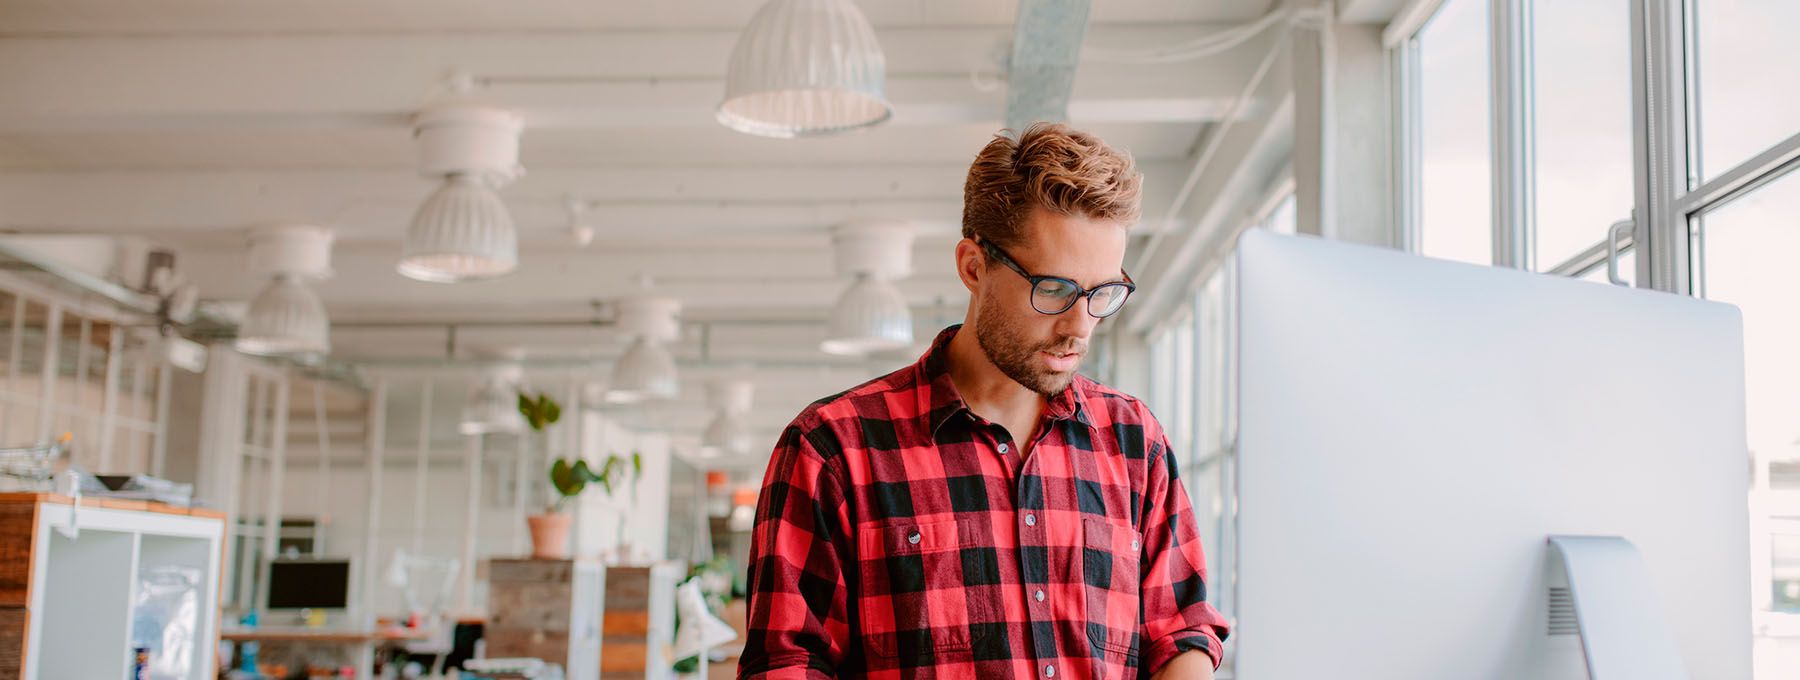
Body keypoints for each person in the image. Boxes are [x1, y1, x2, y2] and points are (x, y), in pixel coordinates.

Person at [739, 123, 1230, 680]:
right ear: (974, 267)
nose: (1080, 326)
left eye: (1102, 294)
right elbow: (786, 662)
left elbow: (1180, 630)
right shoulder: (833, 449)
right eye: (1054, 290)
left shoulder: (1134, 441)